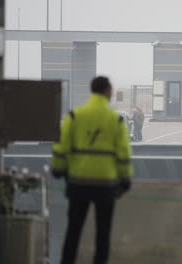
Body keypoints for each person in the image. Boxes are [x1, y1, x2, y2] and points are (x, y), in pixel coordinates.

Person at [51, 76, 133, 264]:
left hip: (78, 183)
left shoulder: (74, 116)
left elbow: (61, 147)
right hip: (106, 185)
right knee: (102, 234)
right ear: (106, 91)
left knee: (73, 231)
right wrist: (125, 179)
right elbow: (123, 153)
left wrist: (59, 169)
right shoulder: (116, 120)